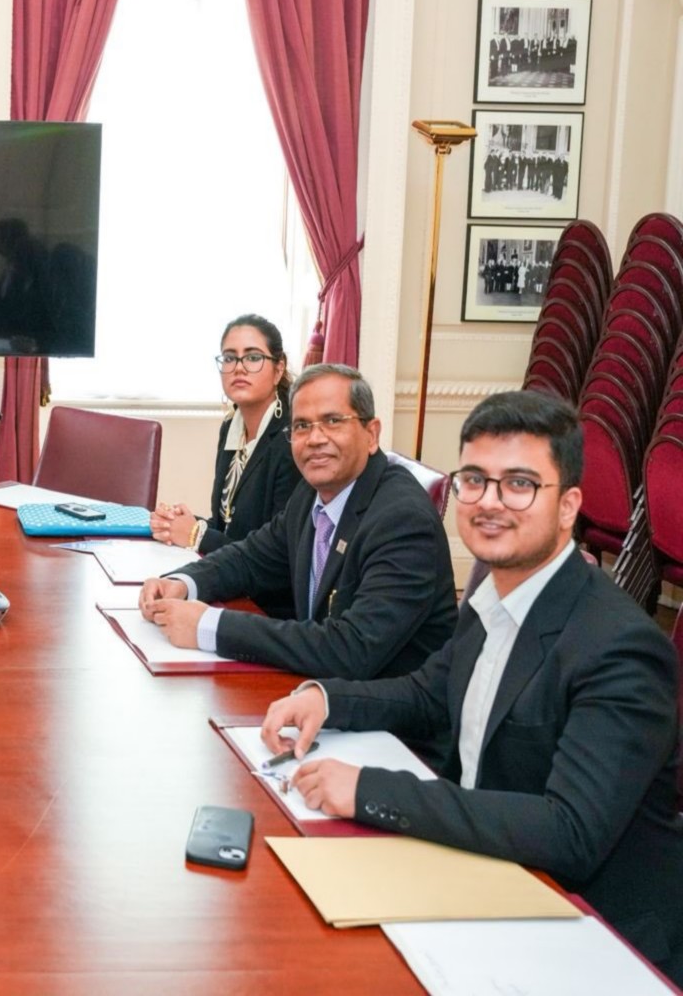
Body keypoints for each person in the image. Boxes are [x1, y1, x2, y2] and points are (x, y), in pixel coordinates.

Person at [260, 391, 683, 982]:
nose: (490, 503)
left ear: (569, 506)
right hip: (491, 879)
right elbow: (428, 693)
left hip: (592, 936)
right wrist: (324, 698)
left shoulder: (619, 647)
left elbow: (570, 832)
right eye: (475, 481)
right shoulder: (493, 597)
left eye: (519, 484)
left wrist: (371, 790)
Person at [139, 363, 455, 679]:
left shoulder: (402, 520)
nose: (315, 438)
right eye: (302, 426)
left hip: (386, 717)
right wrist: (182, 582)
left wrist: (209, 626)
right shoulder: (311, 493)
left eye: (333, 421)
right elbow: (250, 558)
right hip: (317, 691)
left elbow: (352, 650)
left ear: (371, 434)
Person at [150, 314, 302, 617]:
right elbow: (229, 525)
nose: (239, 368)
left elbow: (276, 558)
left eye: (254, 357)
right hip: (232, 586)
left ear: (279, 368)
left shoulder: (292, 440)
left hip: (267, 607)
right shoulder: (231, 427)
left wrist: (196, 534)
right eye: (230, 358)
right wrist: (185, 523)